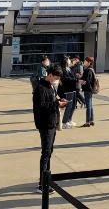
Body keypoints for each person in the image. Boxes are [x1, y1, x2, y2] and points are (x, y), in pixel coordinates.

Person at [33, 65, 69, 194]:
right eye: (56, 77)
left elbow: (51, 101)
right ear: (50, 75)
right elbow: (41, 107)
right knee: (46, 152)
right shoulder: (41, 87)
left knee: (49, 152)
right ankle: (42, 184)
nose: (57, 80)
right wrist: (56, 104)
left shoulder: (50, 86)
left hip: (52, 123)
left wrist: (59, 101)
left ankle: (47, 179)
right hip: (45, 124)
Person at [59, 57, 78, 129]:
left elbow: (72, 77)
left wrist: (76, 79)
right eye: (68, 60)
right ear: (66, 61)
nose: (70, 60)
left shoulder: (69, 68)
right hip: (68, 89)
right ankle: (64, 122)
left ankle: (69, 120)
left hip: (73, 89)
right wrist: (76, 80)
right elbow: (66, 79)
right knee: (69, 106)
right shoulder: (63, 70)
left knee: (73, 105)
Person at [79, 56, 97, 127]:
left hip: (87, 90)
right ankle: (91, 120)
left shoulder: (88, 70)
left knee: (88, 106)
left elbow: (87, 81)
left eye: (86, 61)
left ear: (89, 62)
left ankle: (88, 122)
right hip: (90, 90)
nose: (84, 62)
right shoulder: (91, 69)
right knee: (90, 105)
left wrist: (81, 81)